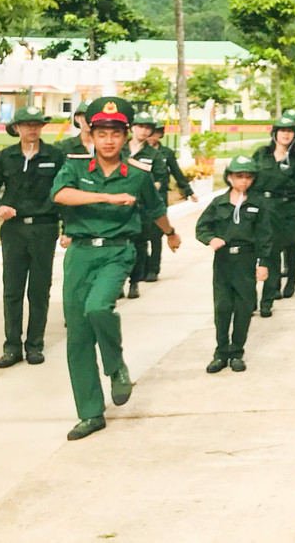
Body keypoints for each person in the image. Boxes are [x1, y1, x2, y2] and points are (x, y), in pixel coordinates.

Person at [50, 97, 177, 441]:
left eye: (116, 133)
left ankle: (115, 363)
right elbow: (60, 195)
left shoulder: (137, 174)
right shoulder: (75, 167)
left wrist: (171, 233)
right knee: (77, 337)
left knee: (98, 308)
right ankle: (90, 413)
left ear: (125, 136)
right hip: (79, 254)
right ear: (91, 134)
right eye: (102, 132)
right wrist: (106, 199)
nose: (108, 140)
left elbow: (155, 209)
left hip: (117, 253)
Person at [0, 105, 63, 368]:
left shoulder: (56, 155)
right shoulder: (6, 157)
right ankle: (12, 346)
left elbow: (66, 189)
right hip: (14, 229)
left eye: (37, 124)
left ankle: (35, 345)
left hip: (44, 227)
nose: (32, 129)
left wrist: (69, 228)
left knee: (39, 289)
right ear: (16, 128)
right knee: (13, 289)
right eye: (26, 124)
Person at [196, 156, 271, 373]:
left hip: (246, 260)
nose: (243, 181)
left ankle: (237, 351)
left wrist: (263, 263)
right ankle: (221, 352)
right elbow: (202, 227)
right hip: (223, 260)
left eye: (248, 177)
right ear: (229, 177)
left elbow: (265, 236)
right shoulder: (219, 203)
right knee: (222, 307)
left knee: (243, 306)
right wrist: (211, 239)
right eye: (239, 176)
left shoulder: (258, 204)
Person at [252, 117, 295, 317]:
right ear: (275, 133)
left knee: (290, 248)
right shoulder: (262, 154)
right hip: (265, 208)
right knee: (267, 254)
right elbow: (249, 176)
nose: (286, 134)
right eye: (283, 131)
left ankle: (284, 285)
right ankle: (261, 300)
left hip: (288, 210)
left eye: (291, 131)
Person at [142, 119, 196, 282]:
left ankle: (153, 269)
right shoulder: (138, 152)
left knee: (156, 234)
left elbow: (176, 172)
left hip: (159, 198)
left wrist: (188, 191)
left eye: (157, 134)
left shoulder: (166, 153)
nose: (153, 137)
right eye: (151, 133)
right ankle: (142, 267)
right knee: (140, 235)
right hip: (140, 200)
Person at [124, 112, 166, 299]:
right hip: (119, 205)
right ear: (132, 128)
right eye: (140, 126)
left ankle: (134, 282)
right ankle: (118, 283)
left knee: (139, 246)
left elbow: (160, 179)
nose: (144, 130)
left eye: (148, 128)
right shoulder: (120, 149)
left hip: (141, 207)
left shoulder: (153, 154)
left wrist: (146, 190)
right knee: (120, 246)